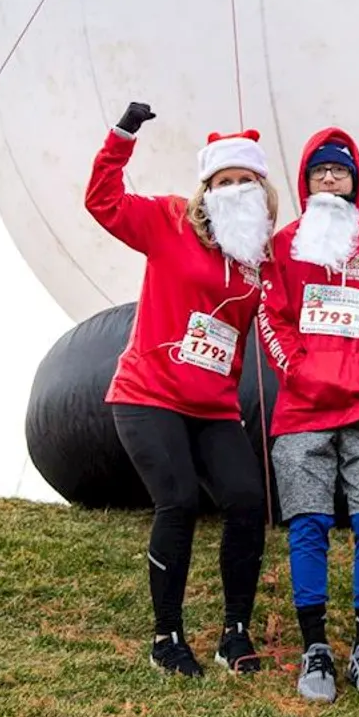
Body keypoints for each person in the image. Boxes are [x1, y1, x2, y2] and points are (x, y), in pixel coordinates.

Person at [86, 102, 276, 679]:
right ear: (207, 187)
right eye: (224, 180)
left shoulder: (259, 258)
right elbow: (103, 202)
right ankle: (167, 637)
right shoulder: (169, 221)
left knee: (246, 502)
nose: (236, 190)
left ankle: (234, 634)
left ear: (262, 190)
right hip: (149, 395)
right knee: (179, 502)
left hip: (213, 405)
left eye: (246, 181)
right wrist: (122, 136)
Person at [256, 129, 359, 704]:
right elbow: (272, 320)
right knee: (309, 526)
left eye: (339, 172)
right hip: (302, 407)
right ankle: (315, 646)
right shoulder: (283, 245)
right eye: (319, 171)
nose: (329, 179)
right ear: (305, 180)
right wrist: (306, 375)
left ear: (355, 180)